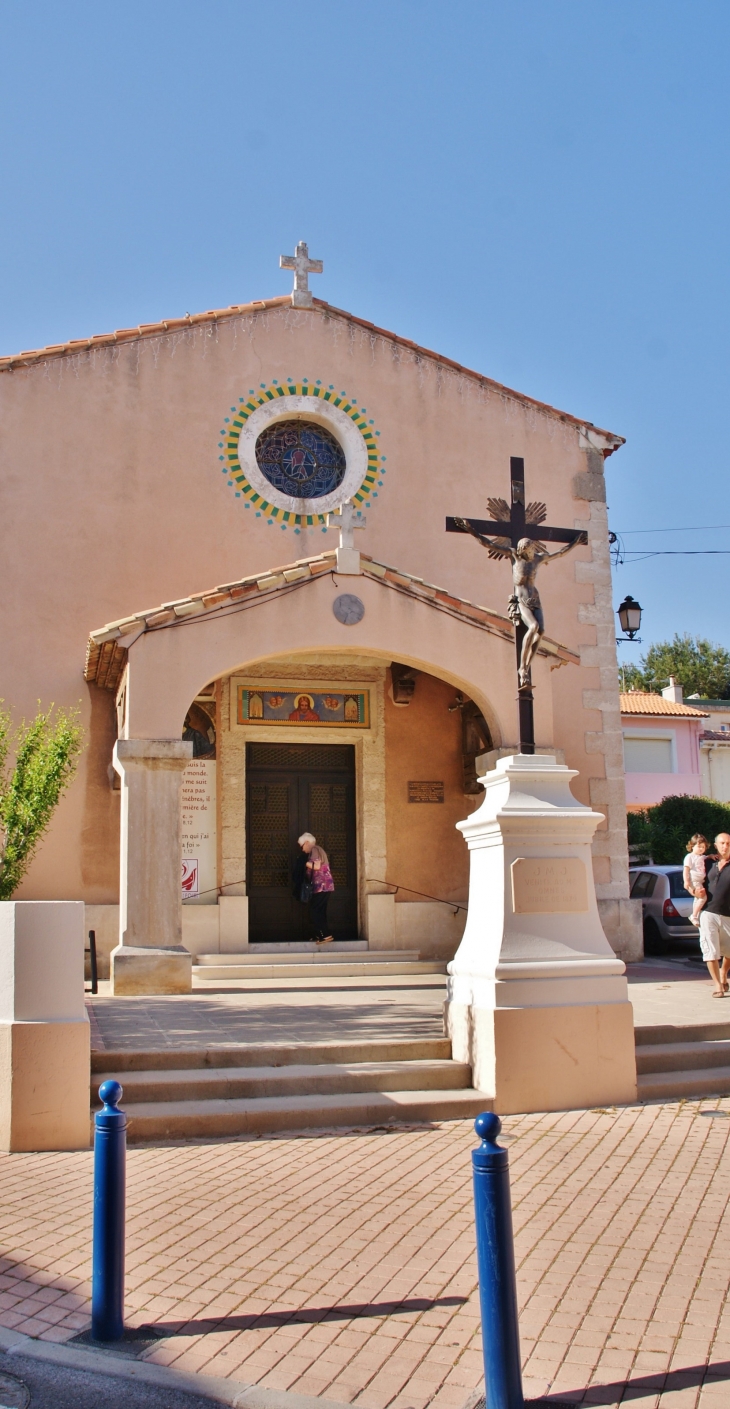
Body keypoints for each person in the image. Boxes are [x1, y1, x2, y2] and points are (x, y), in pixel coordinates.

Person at [698, 833, 730, 996]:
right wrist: (694, 891)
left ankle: (723, 973)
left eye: (728, 843)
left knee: (729, 952)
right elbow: (694, 878)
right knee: (710, 949)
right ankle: (717, 985)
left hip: (728, 915)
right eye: (722, 843)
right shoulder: (708, 862)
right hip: (708, 912)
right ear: (716, 845)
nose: (725, 846)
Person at [297, 832, 335, 944]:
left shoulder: (314, 849)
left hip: (321, 886)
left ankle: (325, 935)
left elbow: (317, 866)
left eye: (302, 846)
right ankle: (320, 934)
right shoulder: (319, 850)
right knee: (320, 911)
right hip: (325, 886)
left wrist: (303, 862)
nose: (302, 849)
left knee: (315, 910)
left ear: (307, 843)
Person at [683, 834, 709, 925]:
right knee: (703, 897)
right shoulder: (690, 857)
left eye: (703, 847)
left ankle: (695, 915)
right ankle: (693, 915)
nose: (701, 849)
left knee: (697, 899)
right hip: (694, 880)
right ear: (692, 846)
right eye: (699, 846)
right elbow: (686, 870)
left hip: (700, 881)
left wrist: (712, 856)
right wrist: (686, 881)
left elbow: (707, 857)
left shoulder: (702, 857)